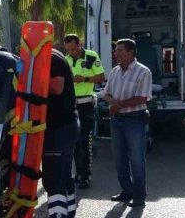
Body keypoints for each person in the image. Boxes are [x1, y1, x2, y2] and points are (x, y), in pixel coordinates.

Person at [38, 45, 80, 218]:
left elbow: (57, 87)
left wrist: (32, 75)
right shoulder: (55, 57)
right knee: (64, 178)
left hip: (59, 129)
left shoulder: (51, 58)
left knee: (54, 180)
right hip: (65, 126)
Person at [103, 38, 152, 208]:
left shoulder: (143, 72)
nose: (116, 53)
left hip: (134, 120)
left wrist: (118, 105)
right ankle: (126, 190)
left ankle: (139, 195)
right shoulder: (115, 72)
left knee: (137, 159)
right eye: (116, 51)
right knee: (119, 158)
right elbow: (106, 94)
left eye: (119, 50)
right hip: (116, 120)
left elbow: (142, 97)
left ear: (131, 52)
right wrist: (112, 103)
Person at [62, 34, 106, 189]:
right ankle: (79, 174)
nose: (71, 52)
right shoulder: (65, 60)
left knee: (84, 140)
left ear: (79, 44)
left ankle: (86, 176)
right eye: (68, 50)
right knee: (73, 141)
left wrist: (85, 79)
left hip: (86, 103)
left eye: (73, 49)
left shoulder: (91, 56)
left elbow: (101, 77)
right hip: (70, 105)